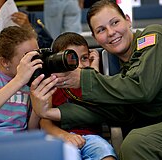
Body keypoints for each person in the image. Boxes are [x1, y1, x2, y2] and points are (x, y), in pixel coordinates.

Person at [30, 0, 162, 159]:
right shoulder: (119, 78)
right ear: (95, 38)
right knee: (136, 143)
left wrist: (85, 79)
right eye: (101, 29)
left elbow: (142, 88)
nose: (111, 32)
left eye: (115, 22)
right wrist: (49, 112)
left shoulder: (154, 37)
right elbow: (111, 112)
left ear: (128, 20)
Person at [40, 32, 117, 160]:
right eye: (71, 59)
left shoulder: (95, 81)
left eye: (85, 58)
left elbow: (98, 103)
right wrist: (65, 136)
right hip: (60, 139)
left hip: (92, 139)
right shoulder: (52, 86)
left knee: (105, 153)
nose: (80, 64)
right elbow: (45, 123)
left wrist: (94, 70)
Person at [0, 26, 42, 135]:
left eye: (37, 54)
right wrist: (19, 80)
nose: (35, 62)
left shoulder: (33, 80)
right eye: (27, 58)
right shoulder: (20, 79)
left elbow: (32, 130)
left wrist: (38, 106)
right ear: (5, 62)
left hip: (20, 141)